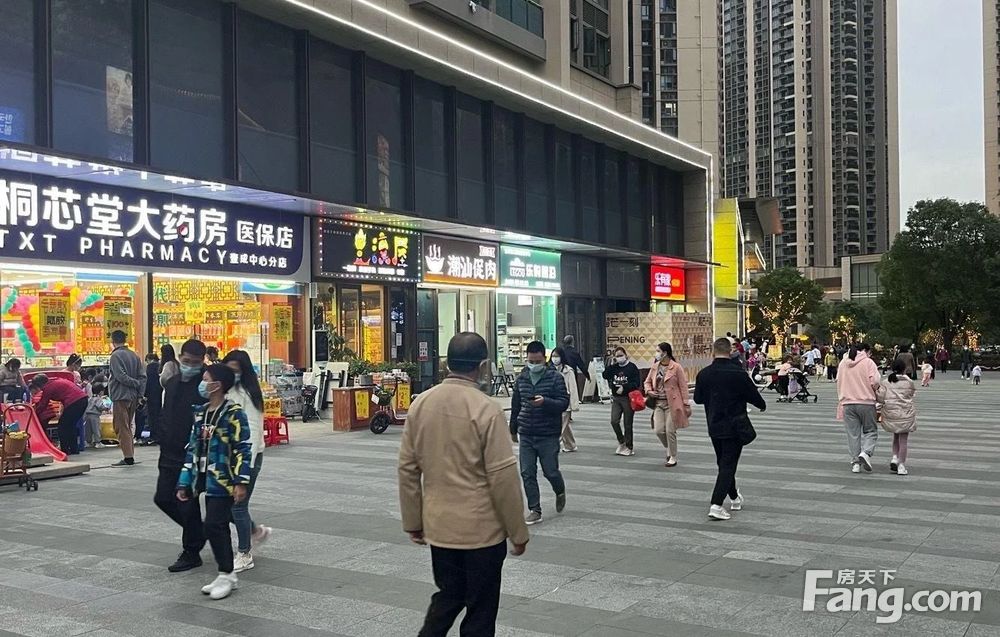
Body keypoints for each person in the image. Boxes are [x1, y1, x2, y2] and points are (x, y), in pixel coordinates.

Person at [398, 332, 529, 637]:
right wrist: (518, 531)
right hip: (482, 531)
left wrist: (413, 521)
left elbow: (407, 469)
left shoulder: (421, 404)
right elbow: (502, 477)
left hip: (440, 527)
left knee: (448, 595)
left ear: (447, 363)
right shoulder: (486, 409)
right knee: (481, 610)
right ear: (482, 366)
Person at [175, 363, 251, 601]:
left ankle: (227, 574)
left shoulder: (233, 413)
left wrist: (241, 481)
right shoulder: (201, 412)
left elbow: (242, 448)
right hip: (202, 477)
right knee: (215, 525)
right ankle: (226, 574)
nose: (202, 383)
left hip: (223, 479)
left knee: (213, 525)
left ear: (217, 385)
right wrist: (184, 482)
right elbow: (192, 448)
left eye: (206, 379)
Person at [694, 338, 767, 521]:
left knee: (724, 463)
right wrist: (761, 405)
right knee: (728, 465)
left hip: (714, 424)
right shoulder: (738, 373)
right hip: (735, 425)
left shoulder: (704, 374)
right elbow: (753, 395)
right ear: (730, 351)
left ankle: (734, 497)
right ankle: (716, 504)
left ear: (713, 352)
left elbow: (698, 399)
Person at [156, 339, 208, 573]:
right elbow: (166, 413)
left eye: (195, 363)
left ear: (202, 361)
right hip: (169, 451)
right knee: (163, 498)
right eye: (186, 361)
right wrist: (162, 437)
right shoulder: (173, 382)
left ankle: (191, 551)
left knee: (187, 502)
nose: (190, 366)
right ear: (180, 358)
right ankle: (199, 532)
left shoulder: (205, 386)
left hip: (192, 454)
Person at [222, 350, 272, 573]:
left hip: (247, 458)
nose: (231, 374)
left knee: (238, 506)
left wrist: (244, 470)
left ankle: (244, 553)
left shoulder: (248, 395)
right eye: (228, 369)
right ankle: (254, 531)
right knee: (227, 506)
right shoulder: (226, 390)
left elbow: (252, 432)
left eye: (236, 370)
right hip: (227, 457)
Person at [511, 341, 569, 526]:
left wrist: (545, 402)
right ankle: (534, 509)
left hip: (548, 433)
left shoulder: (555, 378)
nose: (534, 365)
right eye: (531, 361)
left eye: (537, 361)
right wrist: (513, 428)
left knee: (550, 471)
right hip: (526, 432)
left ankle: (559, 489)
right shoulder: (522, 378)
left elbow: (563, 402)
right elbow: (515, 404)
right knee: (527, 472)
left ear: (544, 359)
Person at [644, 342, 691, 468]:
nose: (657, 353)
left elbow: (683, 386)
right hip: (658, 403)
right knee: (659, 430)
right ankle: (669, 447)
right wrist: (649, 391)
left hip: (672, 404)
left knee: (670, 430)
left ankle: (673, 456)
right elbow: (647, 382)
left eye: (658, 351)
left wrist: (686, 403)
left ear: (665, 353)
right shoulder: (655, 366)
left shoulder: (676, 367)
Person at [836, 343, 881, 473]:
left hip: (847, 403)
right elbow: (875, 381)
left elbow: (838, 380)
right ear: (865, 351)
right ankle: (866, 453)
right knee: (870, 431)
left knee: (853, 434)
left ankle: (855, 463)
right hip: (866, 402)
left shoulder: (843, 363)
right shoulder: (868, 362)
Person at [108, 330, 145, 467]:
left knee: (121, 426)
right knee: (127, 425)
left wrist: (135, 383)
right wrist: (140, 393)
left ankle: (128, 457)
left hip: (120, 395)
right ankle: (130, 454)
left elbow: (120, 376)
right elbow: (142, 377)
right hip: (133, 396)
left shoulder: (115, 356)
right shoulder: (134, 355)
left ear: (113, 341)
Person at [29, 374, 88, 456]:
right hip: (83, 399)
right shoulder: (56, 380)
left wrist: (33, 414)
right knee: (71, 425)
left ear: (40, 384)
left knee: (62, 426)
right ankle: (74, 449)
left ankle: (65, 450)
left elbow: (43, 404)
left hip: (74, 402)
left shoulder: (48, 387)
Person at [876, 360, 916, 476]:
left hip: (891, 413)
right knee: (903, 440)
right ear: (904, 369)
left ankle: (894, 457)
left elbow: (880, 398)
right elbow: (911, 394)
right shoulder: (909, 382)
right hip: (905, 413)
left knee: (895, 436)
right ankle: (901, 465)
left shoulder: (886, 382)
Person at [602, 347, 641, 456]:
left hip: (628, 398)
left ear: (625, 355)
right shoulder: (614, 367)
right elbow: (605, 375)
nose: (619, 358)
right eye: (617, 356)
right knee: (614, 421)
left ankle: (629, 446)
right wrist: (611, 365)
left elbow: (636, 383)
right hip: (616, 398)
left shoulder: (632, 367)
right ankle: (621, 441)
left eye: (621, 355)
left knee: (627, 423)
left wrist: (625, 387)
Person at [549, 347, 580, 453]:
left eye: (557, 356)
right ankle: (571, 445)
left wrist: (574, 404)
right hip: (553, 402)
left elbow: (573, 388)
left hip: (565, 402)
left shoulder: (568, 371)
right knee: (565, 426)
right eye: (553, 356)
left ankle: (553, 445)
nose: (555, 358)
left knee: (561, 426)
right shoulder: (549, 370)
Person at [136, 353, 161, 446]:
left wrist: (143, 394)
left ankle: (154, 436)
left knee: (152, 417)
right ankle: (159, 436)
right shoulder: (160, 366)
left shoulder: (150, 368)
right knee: (159, 416)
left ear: (149, 359)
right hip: (160, 395)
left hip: (151, 396)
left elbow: (147, 382)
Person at [85, 383, 111, 449]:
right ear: (100, 392)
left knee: (88, 429)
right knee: (96, 429)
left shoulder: (90, 398)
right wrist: (106, 408)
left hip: (87, 415)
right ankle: (98, 442)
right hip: (95, 416)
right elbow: (100, 406)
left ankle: (88, 442)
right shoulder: (98, 399)